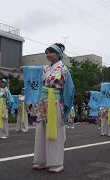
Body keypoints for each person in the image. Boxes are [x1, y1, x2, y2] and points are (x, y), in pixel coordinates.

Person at [32, 43, 74, 173]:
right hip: (43, 101)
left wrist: (66, 106)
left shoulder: (63, 69)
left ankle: (56, 163)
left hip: (55, 101)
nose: (48, 54)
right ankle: (40, 161)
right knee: (41, 131)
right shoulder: (45, 69)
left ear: (59, 55)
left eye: (51, 52)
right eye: (47, 52)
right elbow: (39, 85)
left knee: (54, 132)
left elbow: (69, 89)